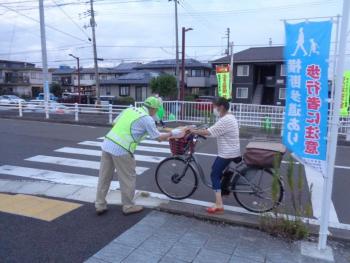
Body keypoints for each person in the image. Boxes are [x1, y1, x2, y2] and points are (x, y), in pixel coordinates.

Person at [95, 96, 181, 216]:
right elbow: (158, 137)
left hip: (107, 143)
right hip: (122, 149)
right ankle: (128, 206)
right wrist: (172, 133)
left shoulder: (130, 109)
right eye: (156, 110)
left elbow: (115, 122)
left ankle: (100, 204)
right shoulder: (147, 119)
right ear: (153, 109)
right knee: (127, 178)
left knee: (104, 176)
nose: (156, 112)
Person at [190, 97, 241, 214]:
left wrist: (194, 131)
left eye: (214, 106)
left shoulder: (225, 120)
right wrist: (200, 128)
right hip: (232, 150)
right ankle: (225, 190)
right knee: (220, 172)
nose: (213, 109)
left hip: (228, 152)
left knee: (214, 174)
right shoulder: (229, 116)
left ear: (221, 107)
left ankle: (219, 204)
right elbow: (214, 128)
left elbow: (209, 132)